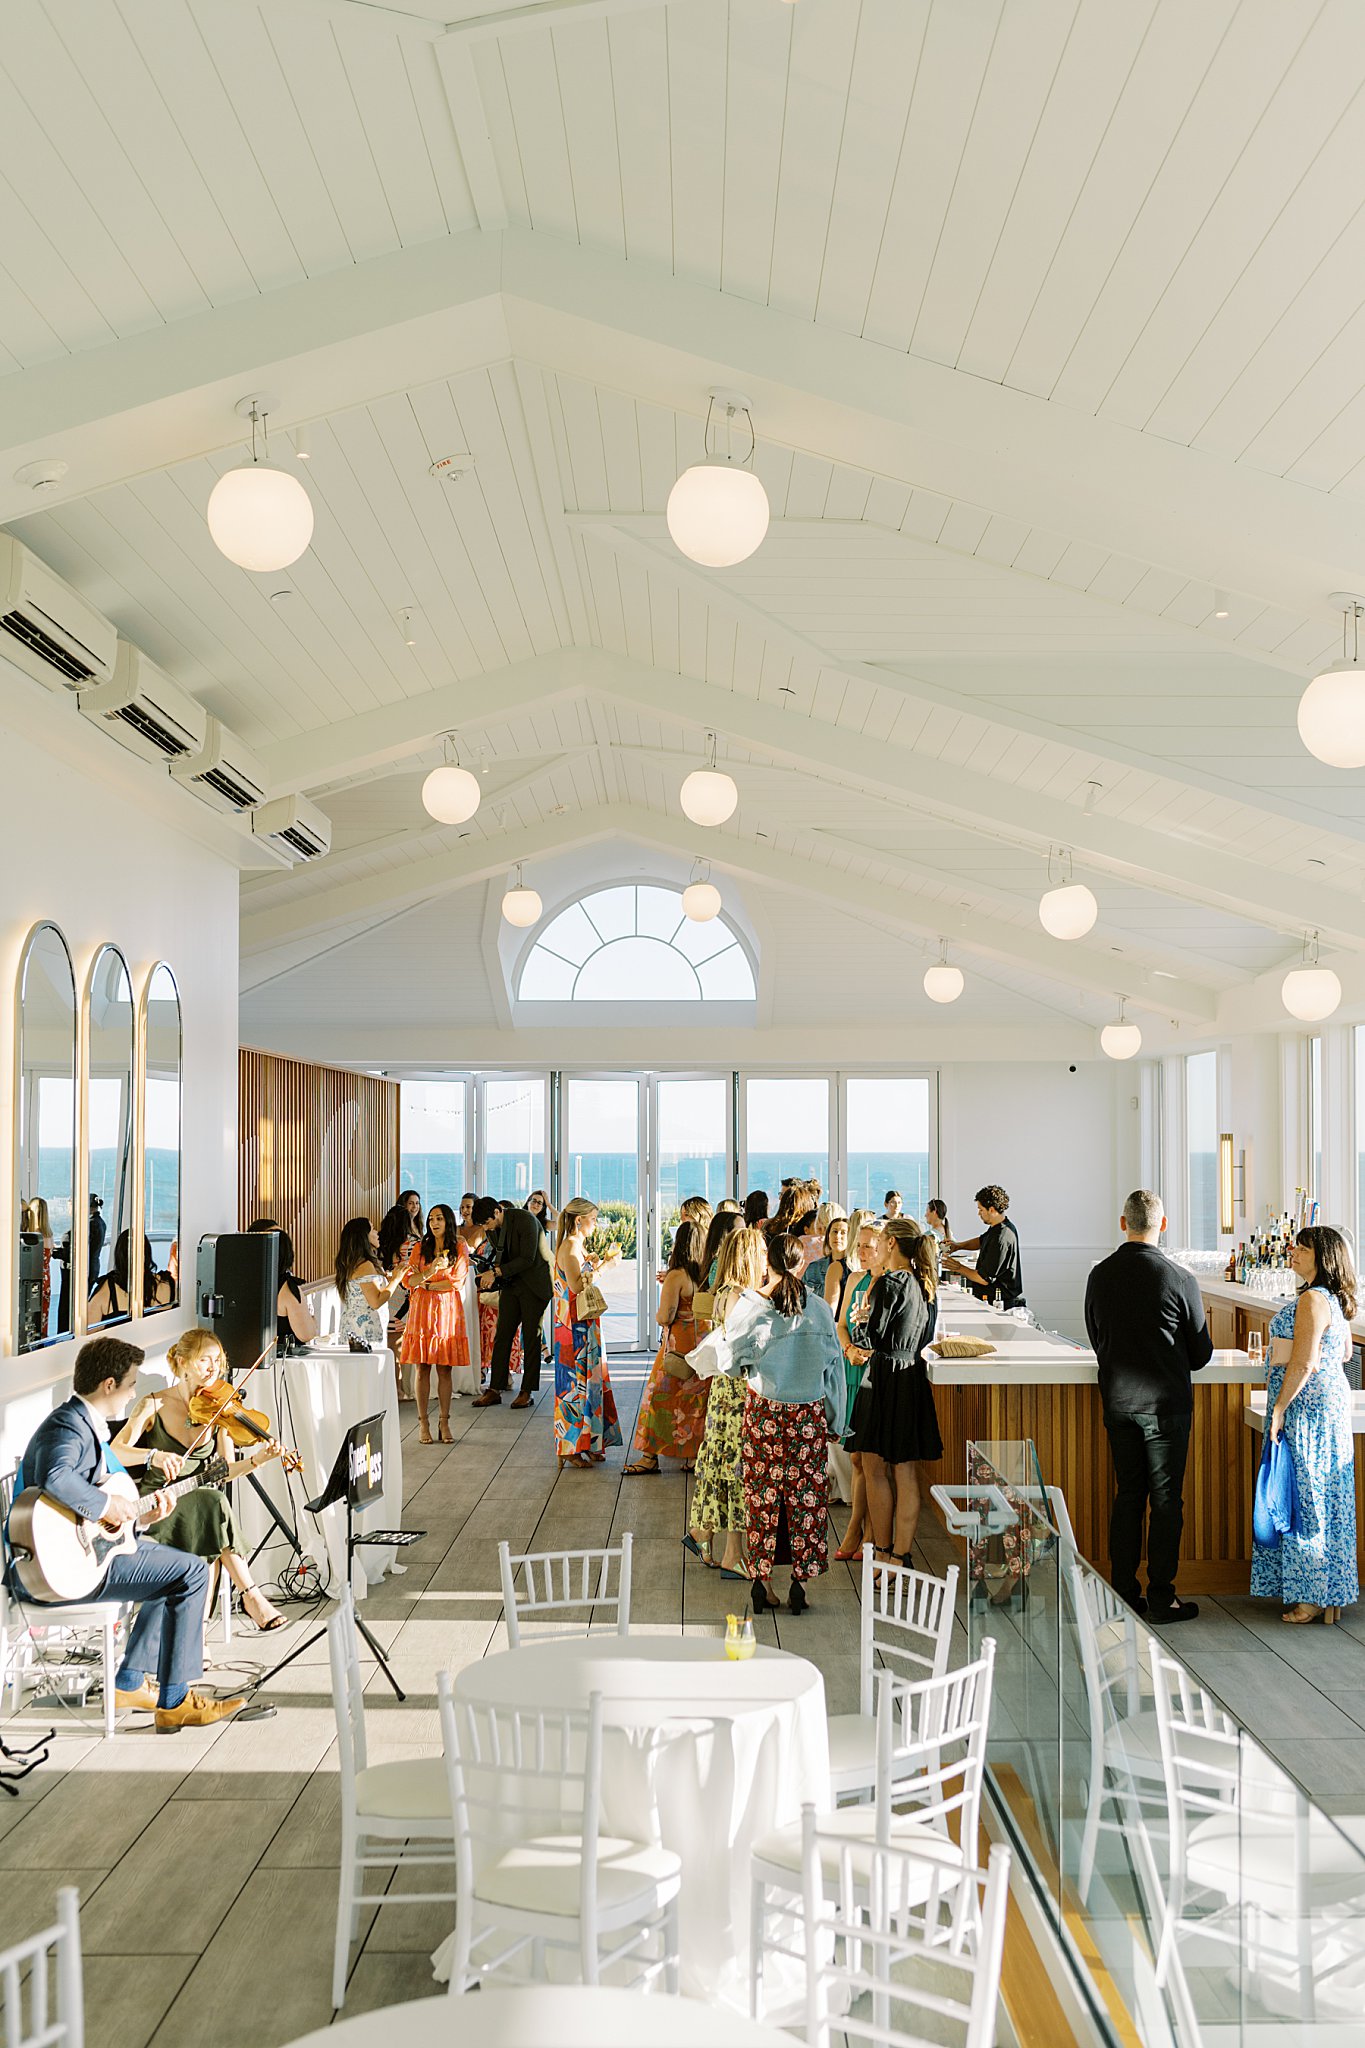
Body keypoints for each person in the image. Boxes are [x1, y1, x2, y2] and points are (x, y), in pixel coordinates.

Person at [10, 1336, 245, 1730]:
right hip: (61, 1570)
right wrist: (108, 1507)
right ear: (108, 1385)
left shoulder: (86, 1426)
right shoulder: (67, 1427)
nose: (135, 1390)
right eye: (131, 1383)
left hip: (80, 1557)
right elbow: (56, 1477)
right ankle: (175, 1701)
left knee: (168, 1563)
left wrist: (142, 1517)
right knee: (191, 1573)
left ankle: (132, 1681)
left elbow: (98, 1506)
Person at [1085, 1190, 1213, 1623]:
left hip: (1118, 1401)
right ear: (1163, 1223)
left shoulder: (1100, 1275)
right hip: (1166, 1407)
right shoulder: (1180, 1278)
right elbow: (1200, 1354)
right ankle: (1162, 1598)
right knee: (1165, 1502)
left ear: (1123, 1223)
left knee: (1128, 1496)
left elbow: (1096, 1336)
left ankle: (1122, 1592)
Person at [112, 1327, 288, 1632]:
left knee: (210, 1506)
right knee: (213, 1507)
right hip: (159, 1506)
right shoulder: (153, 1403)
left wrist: (258, 1460)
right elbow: (116, 1451)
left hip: (201, 1502)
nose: (213, 1368)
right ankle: (250, 1596)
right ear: (182, 1362)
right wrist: (151, 1456)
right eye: (204, 1360)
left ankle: (200, 1635)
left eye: (218, 1360)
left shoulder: (219, 1408)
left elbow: (226, 1469)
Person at [720, 1234, 845, 1615]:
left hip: (765, 1415)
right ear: (801, 1263)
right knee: (807, 1500)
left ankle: (762, 1581)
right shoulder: (820, 1309)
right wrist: (836, 1419)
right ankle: (800, 1585)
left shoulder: (751, 1307)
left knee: (762, 1497)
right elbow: (833, 1371)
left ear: (768, 1263)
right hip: (807, 1415)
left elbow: (729, 1362)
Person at [1251, 1226, 1360, 1626]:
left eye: (1303, 1247)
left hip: (1306, 1410)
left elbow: (1305, 1362)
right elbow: (1343, 1352)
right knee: (1321, 1496)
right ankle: (1325, 1592)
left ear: (1323, 1256)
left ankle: (1311, 1597)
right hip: (1324, 1406)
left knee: (1305, 1498)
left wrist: (1278, 1407)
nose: (1293, 1251)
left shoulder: (1313, 1298)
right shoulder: (1331, 1299)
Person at [856, 1216, 942, 1566]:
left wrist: (862, 1320)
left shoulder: (889, 1282)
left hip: (885, 1377)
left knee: (875, 1469)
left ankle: (882, 1550)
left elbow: (870, 1340)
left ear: (890, 1243)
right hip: (912, 1378)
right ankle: (901, 1557)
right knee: (906, 1472)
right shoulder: (927, 1285)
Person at [686, 1226, 771, 1576]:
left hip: (726, 1391)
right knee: (737, 1469)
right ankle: (732, 1553)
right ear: (750, 1257)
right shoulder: (741, 1297)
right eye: (763, 1254)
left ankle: (705, 1534)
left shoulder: (726, 1292)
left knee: (725, 1466)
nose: (766, 1260)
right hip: (739, 1391)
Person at [625, 1219, 710, 1475]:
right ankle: (694, 1455)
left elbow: (665, 1316)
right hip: (703, 1343)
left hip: (677, 1347)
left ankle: (649, 1456)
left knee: (658, 1397)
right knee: (695, 1401)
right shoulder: (706, 1274)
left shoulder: (677, 1275)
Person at [551, 1198, 622, 1466]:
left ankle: (588, 1441)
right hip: (573, 1327)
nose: (596, 1223)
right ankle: (569, 1448)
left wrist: (593, 1261)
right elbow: (576, 1287)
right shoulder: (569, 1246)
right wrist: (605, 1266)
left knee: (588, 1384)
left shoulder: (576, 1245)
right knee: (574, 1386)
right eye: (593, 1218)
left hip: (581, 1322)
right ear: (579, 1220)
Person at [472, 1196, 554, 1410]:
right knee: (502, 1335)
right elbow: (500, 1256)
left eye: (487, 1223)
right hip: (511, 1284)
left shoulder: (524, 1219)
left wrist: (496, 1272)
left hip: (534, 1284)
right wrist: (490, 1274)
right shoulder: (491, 1227)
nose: (486, 1228)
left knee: (532, 1337)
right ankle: (494, 1388)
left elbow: (527, 1258)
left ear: (498, 1211)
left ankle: (527, 1391)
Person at [400, 1203, 471, 1444]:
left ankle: (444, 1420)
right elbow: (409, 1281)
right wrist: (430, 1272)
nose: (434, 1222)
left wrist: (427, 1284)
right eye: (431, 1218)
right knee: (422, 1367)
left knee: (444, 1368)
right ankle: (423, 1423)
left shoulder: (460, 1247)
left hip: (447, 1312)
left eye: (439, 1218)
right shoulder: (421, 1247)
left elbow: (456, 1282)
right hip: (421, 1311)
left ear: (448, 1221)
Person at [943, 1186, 1025, 1309]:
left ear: (991, 1210)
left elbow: (983, 1279)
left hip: (998, 1302)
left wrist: (958, 1267)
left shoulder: (1001, 1238)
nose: (979, 1213)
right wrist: (958, 1246)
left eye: (981, 1210)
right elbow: (981, 1241)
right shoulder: (998, 1227)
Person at [335, 1217, 404, 1354]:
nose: (377, 1232)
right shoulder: (364, 1265)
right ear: (363, 1236)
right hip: (364, 1330)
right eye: (372, 1229)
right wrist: (395, 1280)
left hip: (357, 1327)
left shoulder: (356, 1262)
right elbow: (375, 1301)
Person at [248, 1221, 317, 1350]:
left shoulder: (241, 1281)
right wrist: (313, 1319)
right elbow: (306, 1334)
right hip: (283, 1363)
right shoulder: (287, 1289)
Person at [87, 1231, 174, 1325]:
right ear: (147, 1253)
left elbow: (89, 1332)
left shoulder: (106, 1291)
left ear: (119, 1255)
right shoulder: (168, 1285)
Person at [377, 1201, 420, 1374]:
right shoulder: (413, 1243)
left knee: (389, 1344)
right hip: (404, 1296)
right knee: (398, 1345)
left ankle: (393, 1386)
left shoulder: (380, 1243)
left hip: (386, 1293)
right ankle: (401, 1387)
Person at [803, 1206, 847, 1303]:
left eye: (843, 1232)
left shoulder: (855, 1269)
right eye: (834, 1231)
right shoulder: (814, 1268)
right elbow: (802, 1300)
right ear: (828, 1236)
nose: (837, 1236)